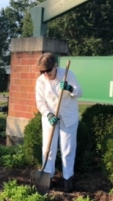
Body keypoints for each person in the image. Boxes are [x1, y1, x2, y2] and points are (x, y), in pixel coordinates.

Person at [35, 52, 83, 192]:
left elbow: (79, 92)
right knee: (47, 149)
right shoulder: (41, 81)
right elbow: (40, 102)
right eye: (42, 71)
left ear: (55, 66)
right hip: (50, 118)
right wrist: (49, 114)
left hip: (68, 117)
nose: (45, 74)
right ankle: (47, 176)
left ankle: (68, 178)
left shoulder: (68, 74)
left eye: (48, 70)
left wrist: (69, 88)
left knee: (67, 149)